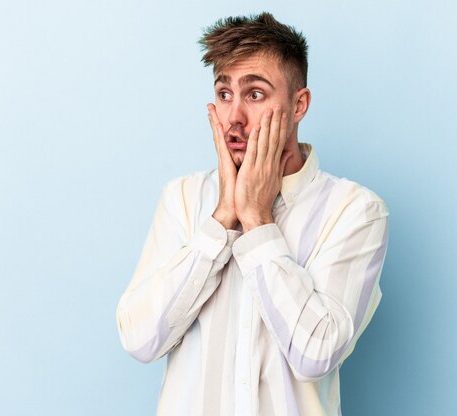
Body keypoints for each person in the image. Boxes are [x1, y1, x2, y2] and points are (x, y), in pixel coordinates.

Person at [116, 12, 389, 416]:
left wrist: (258, 220)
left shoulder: (355, 211)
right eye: (224, 94)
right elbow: (140, 339)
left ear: (299, 105)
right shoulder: (184, 198)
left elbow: (315, 354)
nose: (234, 118)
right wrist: (222, 220)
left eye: (255, 94)